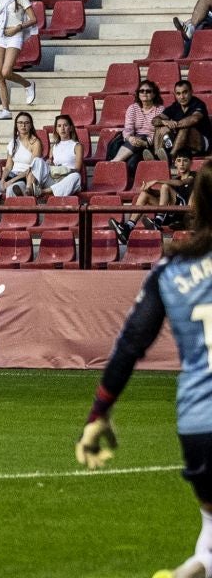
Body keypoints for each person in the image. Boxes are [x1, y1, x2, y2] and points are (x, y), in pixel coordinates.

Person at [76, 164, 212, 578]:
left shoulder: (170, 271)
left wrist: (98, 415)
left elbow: (129, 345)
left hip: (198, 423)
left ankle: (194, 569)